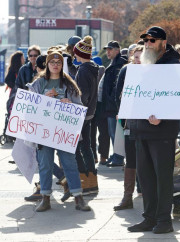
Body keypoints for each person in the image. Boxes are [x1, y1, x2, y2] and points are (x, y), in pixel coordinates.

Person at [127, 26, 180, 234]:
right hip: (141, 130)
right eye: (146, 41)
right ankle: (149, 218)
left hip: (162, 132)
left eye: (152, 40)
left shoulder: (173, 65)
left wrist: (163, 118)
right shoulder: (144, 65)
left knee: (163, 178)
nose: (148, 44)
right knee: (146, 178)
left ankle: (164, 220)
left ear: (163, 43)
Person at [27, 48, 90, 212]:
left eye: (58, 62)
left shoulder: (69, 84)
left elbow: (80, 108)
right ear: (47, 65)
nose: (55, 65)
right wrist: (43, 100)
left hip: (63, 131)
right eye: (52, 62)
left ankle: (78, 198)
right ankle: (45, 198)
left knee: (70, 163)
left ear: (62, 65)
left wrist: (70, 104)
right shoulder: (38, 84)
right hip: (44, 131)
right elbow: (29, 107)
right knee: (45, 165)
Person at [113, 45, 143, 211]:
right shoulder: (126, 70)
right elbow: (118, 94)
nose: (139, 60)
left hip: (147, 123)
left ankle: (145, 190)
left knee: (145, 158)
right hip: (130, 121)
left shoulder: (151, 72)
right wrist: (121, 113)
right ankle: (127, 196)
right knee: (130, 158)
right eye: (136, 57)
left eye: (142, 57)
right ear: (132, 57)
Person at [73, 36, 99, 194]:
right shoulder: (93, 68)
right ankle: (92, 180)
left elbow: (83, 95)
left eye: (76, 53)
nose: (74, 56)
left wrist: (76, 107)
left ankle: (85, 180)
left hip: (81, 114)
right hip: (90, 113)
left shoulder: (83, 70)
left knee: (76, 148)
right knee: (87, 146)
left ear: (80, 54)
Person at [101, 41, 127, 167]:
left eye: (110, 49)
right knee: (113, 133)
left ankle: (119, 157)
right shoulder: (113, 64)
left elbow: (116, 87)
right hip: (110, 105)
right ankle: (116, 155)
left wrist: (112, 100)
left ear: (117, 50)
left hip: (114, 106)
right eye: (107, 49)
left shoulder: (120, 64)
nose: (108, 52)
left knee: (116, 133)